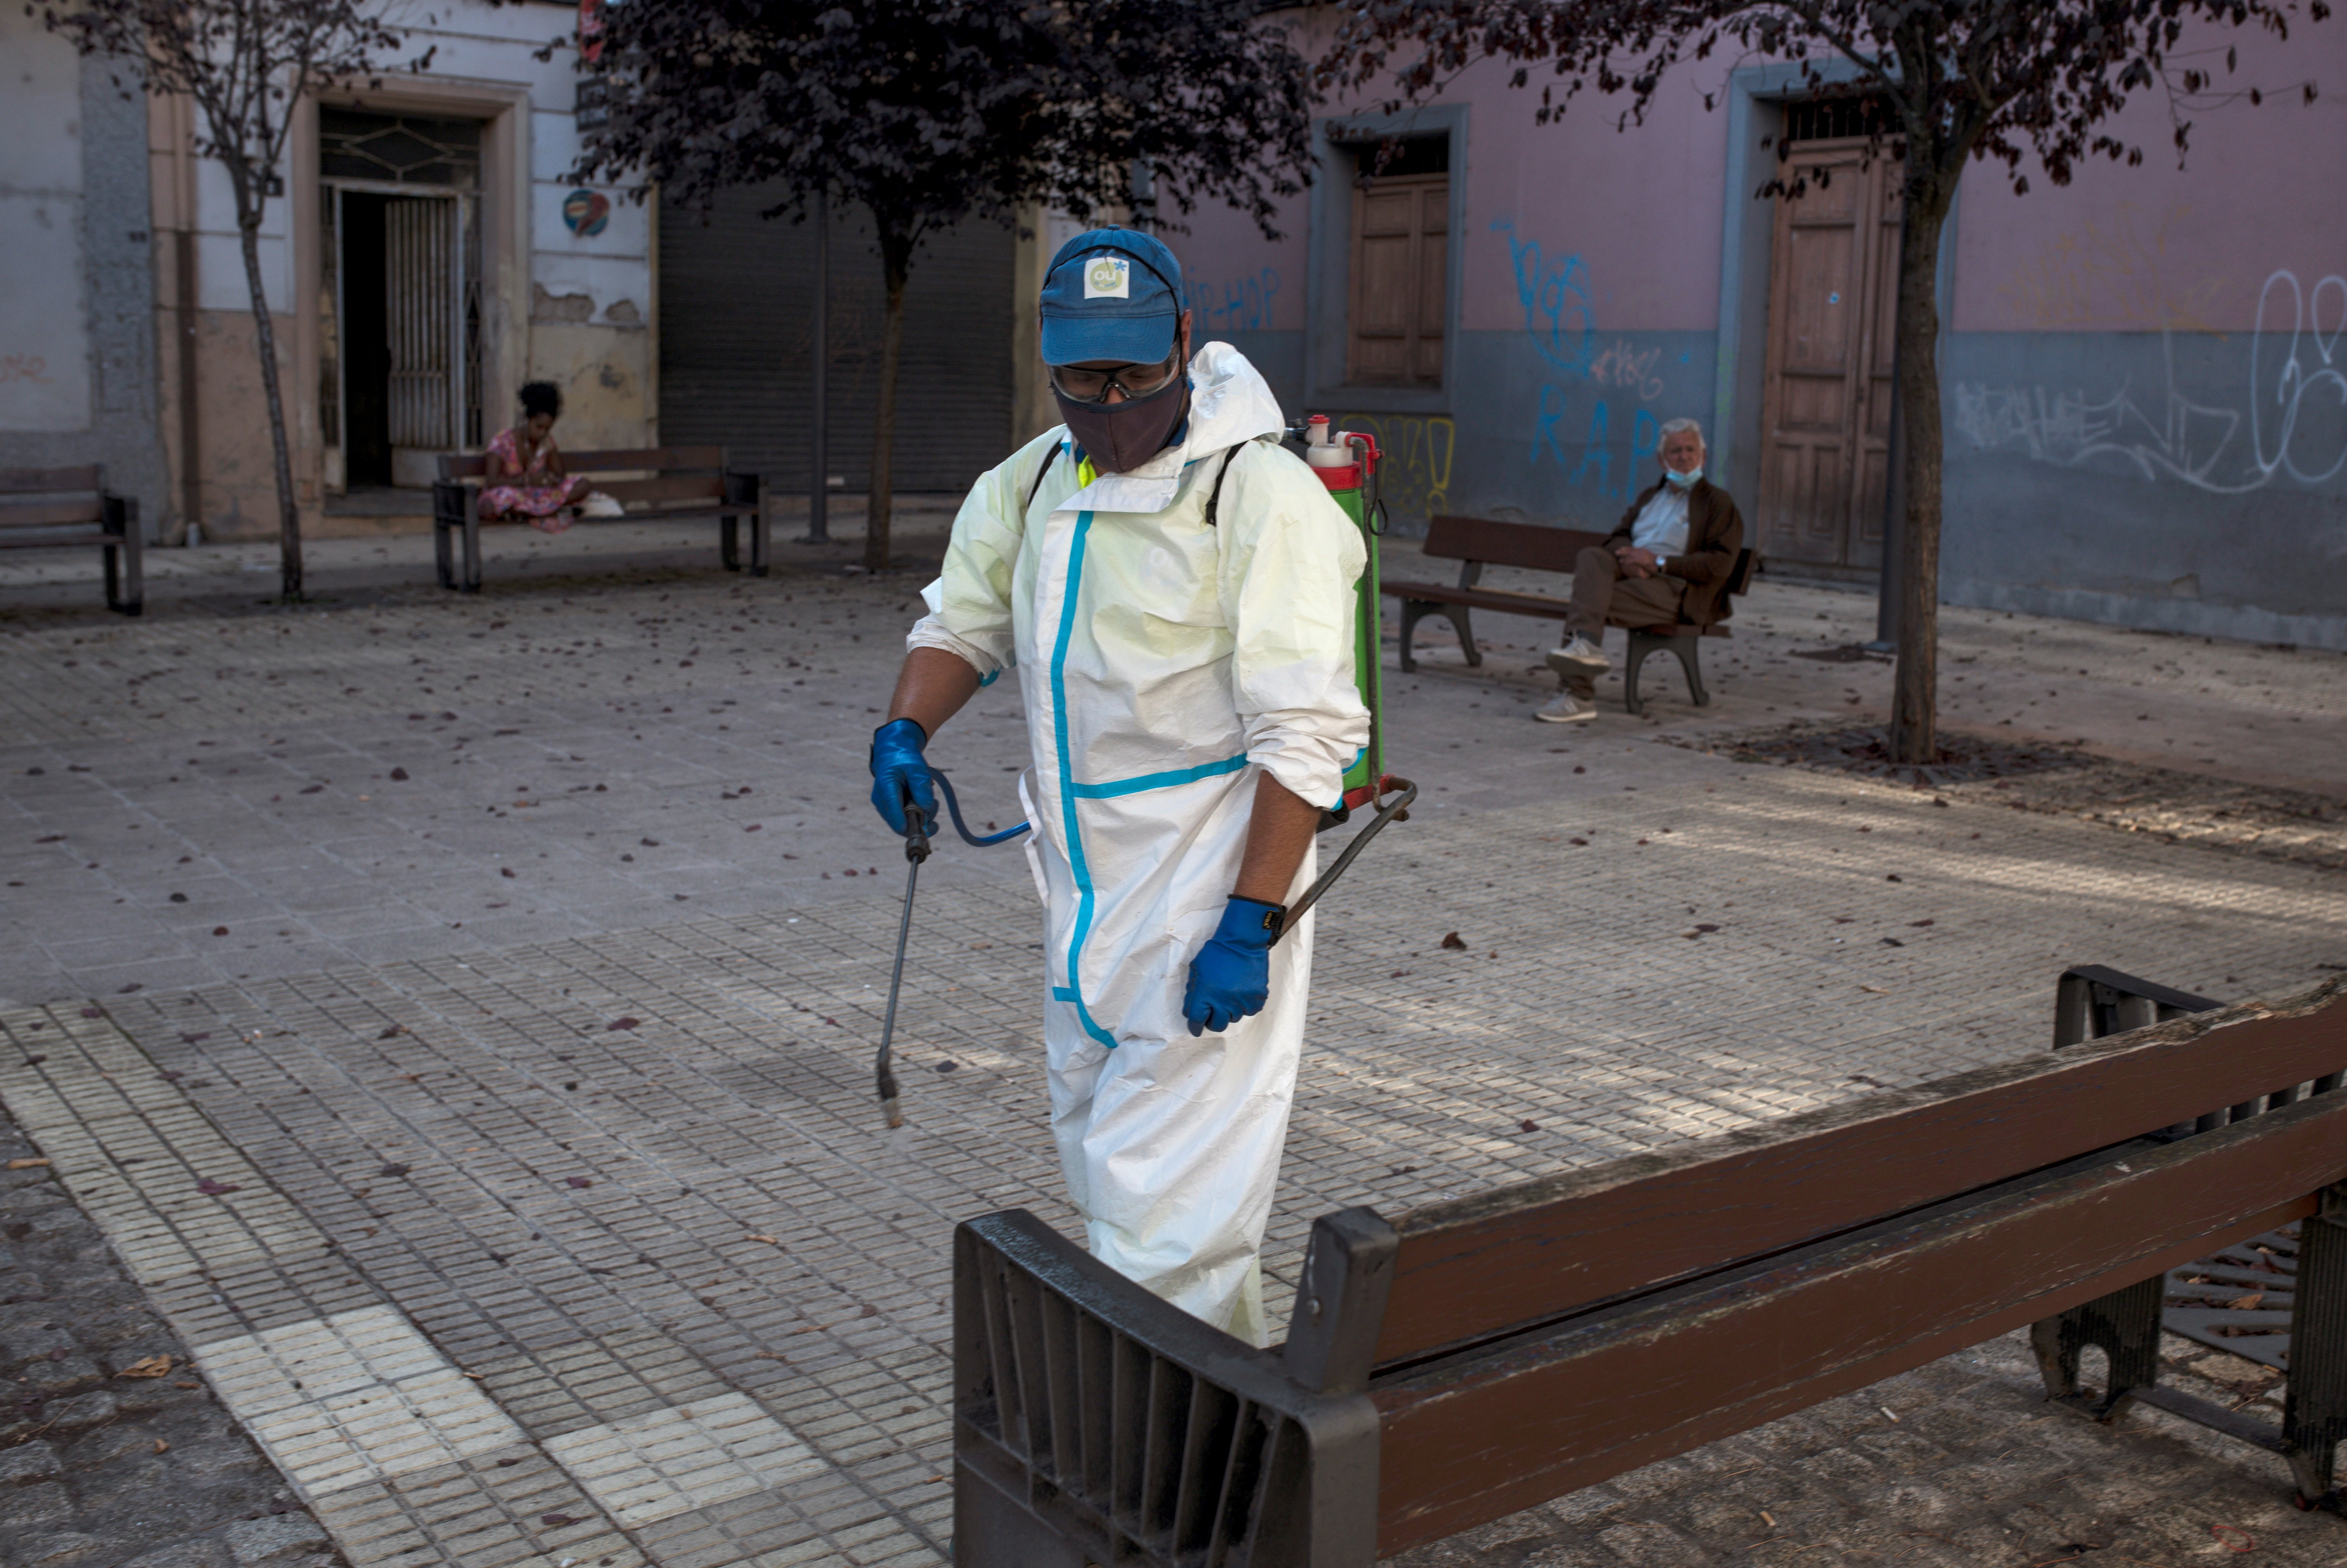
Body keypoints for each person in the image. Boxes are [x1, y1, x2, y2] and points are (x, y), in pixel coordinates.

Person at [868, 229, 1368, 1345]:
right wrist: (903, 730)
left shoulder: (1257, 492)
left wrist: (1251, 920)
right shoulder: (1036, 477)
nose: (1105, 403)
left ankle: (1176, 1477)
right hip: (1081, 900)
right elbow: (965, 618)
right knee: (1112, 1184)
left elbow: (1304, 732)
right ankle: (1213, 1431)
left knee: (1164, 1230)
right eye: (1081, 377)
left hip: (1207, 895)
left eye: (1132, 377)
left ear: (1183, 343)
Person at [1538, 417, 1745, 723]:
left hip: (1677, 590)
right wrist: (1630, 560)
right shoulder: (1651, 496)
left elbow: (1720, 565)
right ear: (1662, 459)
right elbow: (1618, 536)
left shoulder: (1717, 503)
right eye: (1675, 451)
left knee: (1587, 604)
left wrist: (1658, 563)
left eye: (1691, 450)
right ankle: (1583, 658)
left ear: (1703, 456)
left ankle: (1576, 694)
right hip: (1634, 577)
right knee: (1592, 558)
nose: (1684, 457)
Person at [478, 381, 592, 530]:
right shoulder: (502, 441)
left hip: (536, 496)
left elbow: (560, 477)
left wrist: (550, 455)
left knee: (583, 485)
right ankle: (545, 511)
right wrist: (527, 481)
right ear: (527, 419)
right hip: (513, 494)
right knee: (492, 503)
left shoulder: (546, 442)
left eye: (548, 429)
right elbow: (492, 482)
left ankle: (532, 512)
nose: (542, 433)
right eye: (539, 427)